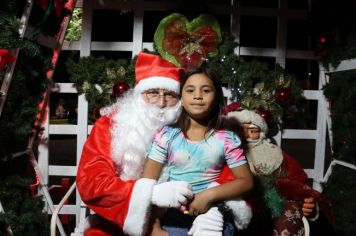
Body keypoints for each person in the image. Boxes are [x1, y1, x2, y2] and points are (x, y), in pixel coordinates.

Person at [76, 52, 194, 236]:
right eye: (153, 93)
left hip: (176, 217)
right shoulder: (111, 125)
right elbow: (91, 183)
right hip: (119, 219)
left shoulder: (188, 126)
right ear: (139, 95)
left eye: (170, 94)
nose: (161, 103)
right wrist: (150, 194)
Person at [142, 65, 254, 236]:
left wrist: (208, 196)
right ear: (181, 97)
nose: (198, 96)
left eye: (206, 90)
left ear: (217, 97)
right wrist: (154, 226)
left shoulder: (226, 139)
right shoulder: (166, 136)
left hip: (213, 214)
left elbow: (246, 181)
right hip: (173, 216)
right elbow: (148, 184)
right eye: (190, 90)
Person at [223, 104, 325, 236]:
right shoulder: (221, 154)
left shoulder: (275, 155)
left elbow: (299, 181)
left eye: (252, 130)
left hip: (276, 206)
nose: (246, 135)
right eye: (239, 130)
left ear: (261, 133)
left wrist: (308, 203)